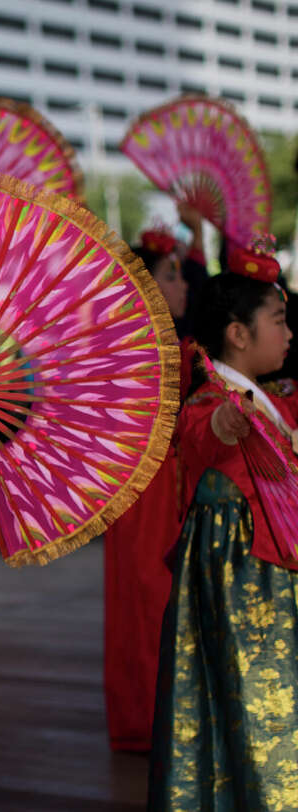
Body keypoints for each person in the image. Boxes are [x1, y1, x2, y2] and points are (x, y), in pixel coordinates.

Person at [149, 243, 297, 810]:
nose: (289, 334)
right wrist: (227, 423)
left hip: (276, 583)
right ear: (238, 333)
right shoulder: (212, 400)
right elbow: (203, 432)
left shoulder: (276, 400)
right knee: (253, 701)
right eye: (278, 321)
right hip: (244, 591)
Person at [102, 214, 200, 752]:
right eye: (173, 275)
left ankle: (157, 713)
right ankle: (150, 717)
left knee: (158, 599)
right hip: (143, 495)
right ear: (145, 288)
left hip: (166, 490)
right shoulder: (136, 353)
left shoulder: (165, 346)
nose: (182, 285)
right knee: (149, 599)